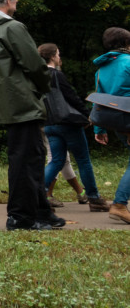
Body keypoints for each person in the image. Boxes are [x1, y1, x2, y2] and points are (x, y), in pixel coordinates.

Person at [0, 0, 64, 231]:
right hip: (21, 100)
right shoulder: (11, 27)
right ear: (9, 0)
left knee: (33, 155)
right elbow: (34, 64)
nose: (17, 5)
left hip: (1, 100)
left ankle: (42, 211)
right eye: (16, 1)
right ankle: (21, 217)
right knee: (27, 160)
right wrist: (42, 87)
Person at [37, 43, 109, 212]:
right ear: (53, 56)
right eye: (58, 54)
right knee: (83, 160)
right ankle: (94, 198)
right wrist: (87, 115)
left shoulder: (37, 76)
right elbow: (71, 97)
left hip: (49, 124)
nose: (59, 58)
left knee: (56, 160)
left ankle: (39, 194)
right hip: (67, 123)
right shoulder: (56, 75)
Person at [90, 27, 130, 224]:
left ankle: (121, 203)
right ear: (125, 43)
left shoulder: (101, 69)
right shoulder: (129, 62)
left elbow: (99, 99)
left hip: (116, 122)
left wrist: (99, 129)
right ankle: (120, 204)